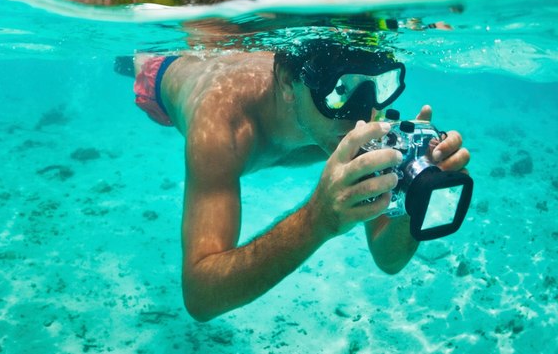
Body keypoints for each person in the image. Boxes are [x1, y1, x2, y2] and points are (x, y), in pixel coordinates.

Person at [132, 37, 471, 322]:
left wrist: (413, 196)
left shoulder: (361, 113)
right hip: (159, 73)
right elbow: (201, 296)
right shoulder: (223, 124)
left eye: (379, 86)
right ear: (286, 82)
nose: (360, 115)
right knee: (137, 58)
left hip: (243, 52)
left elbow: (388, 259)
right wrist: (316, 220)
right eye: (339, 91)